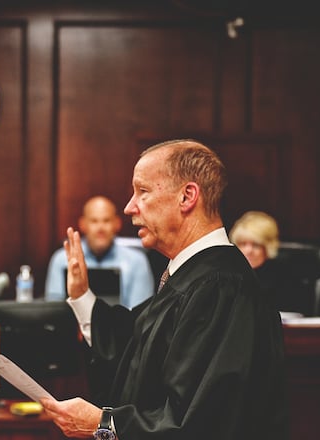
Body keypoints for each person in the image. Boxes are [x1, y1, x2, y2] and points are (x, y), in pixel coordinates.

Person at [40, 139, 288, 439]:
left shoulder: (221, 286)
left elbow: (202, 418)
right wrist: (81, 295)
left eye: (142, 191)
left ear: (187, 197)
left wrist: (104, 424)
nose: (129, 207)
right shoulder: (190, 275)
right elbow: (132, 344)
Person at [44, 196, 154, 308]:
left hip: (122, 324)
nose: (100, 228)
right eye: (94, 221)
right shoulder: (62, 259)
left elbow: (141, 315)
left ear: (117, 224)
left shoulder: (137, 262)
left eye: (106, 221)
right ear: (83, 224)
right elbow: (54, 310)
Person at [229, 210, 310, 315]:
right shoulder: (227, 274)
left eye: (256, 245)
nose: (248, 250)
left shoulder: (286, 278)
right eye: (243, 244)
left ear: (268, 247)